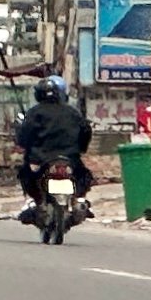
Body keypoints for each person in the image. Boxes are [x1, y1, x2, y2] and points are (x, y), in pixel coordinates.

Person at [14, 75, 93, 224]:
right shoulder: (72, 112)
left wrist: (25, 145)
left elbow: (24, 135)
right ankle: (79, 199)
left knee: (25, 174)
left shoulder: (34, 113)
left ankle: (34, 201)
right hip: (70, 158)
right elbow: (85, 131)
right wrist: (81, 148)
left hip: (40, 159)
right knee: (84, 175)